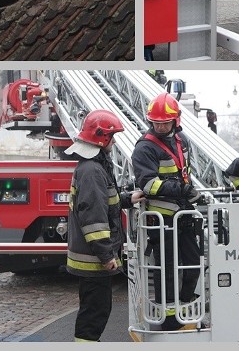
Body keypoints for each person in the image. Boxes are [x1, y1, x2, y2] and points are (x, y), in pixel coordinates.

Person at [65, 109, 143, 342]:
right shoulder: (92, 171)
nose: (115, 141)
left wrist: (128, 199)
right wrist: (107, 255)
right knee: (95, 314)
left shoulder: (92, 167)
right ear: (102, 138)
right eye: (112, 136)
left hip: (91, 258)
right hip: (93, 261)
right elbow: (94, 220)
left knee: (95, 310)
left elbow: (104, 203)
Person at [131, 93, 202, 331]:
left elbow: (185, 172)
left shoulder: (182, 140)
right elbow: (149, 185)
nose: (160, 126)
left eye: (165, 122)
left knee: (193, 263)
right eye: (156, 122)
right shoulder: (145, 148)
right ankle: (169, 319)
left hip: (184, 215)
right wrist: (182, 189)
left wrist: (188, 191)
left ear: (176, 120)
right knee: (167, 270)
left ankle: (184, 304)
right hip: (161, 220)